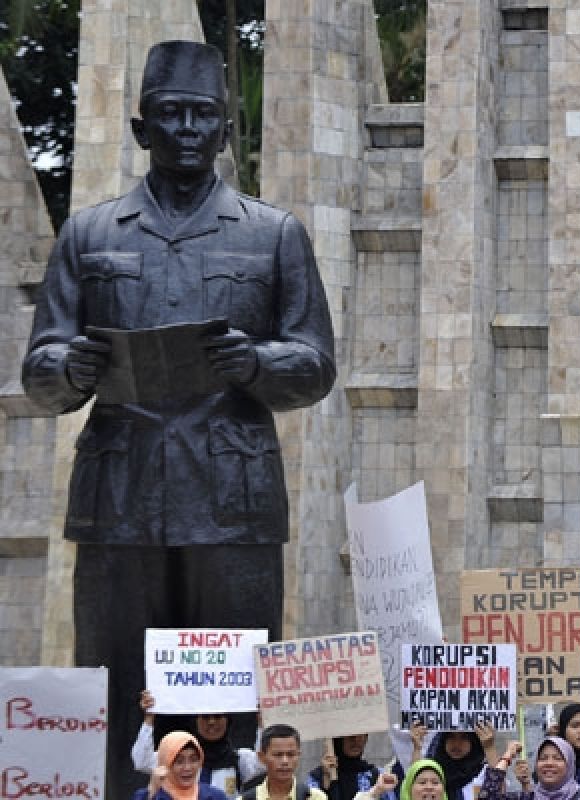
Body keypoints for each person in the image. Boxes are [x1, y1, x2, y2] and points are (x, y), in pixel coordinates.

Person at [22, 39, 336, 800]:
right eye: (171, 115)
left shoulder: (273, 233)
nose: (188, 129)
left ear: (225, 131)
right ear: (141, 130)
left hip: (234, 501)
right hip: (119, 496)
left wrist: (256, 364)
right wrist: (70, 368)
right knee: (118, 680)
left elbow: (317, 363)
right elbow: (39, 369)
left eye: (203, 116)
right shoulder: (91, 233)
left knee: (231, 691)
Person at [133, 690, 265, 797]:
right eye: (205, 717)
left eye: (218, 717)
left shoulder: (238, 760)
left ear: (228, 721)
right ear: (195, 721)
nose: (212, 722)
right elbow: (141, 761)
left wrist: (263, 720)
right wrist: (149, 718)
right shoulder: (176, 756)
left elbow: (263, 761)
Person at [135, 731, 230, 800]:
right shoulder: (150, 796)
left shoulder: (215, 796)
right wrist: (152, 791)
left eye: (193, 760)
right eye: (179, 761)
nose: (187, 768)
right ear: (165, 764)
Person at [478, 737, 580, 800]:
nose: (549, 763)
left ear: (569, 766)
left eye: (558, 758)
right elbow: (487, 797)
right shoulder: (527, 798)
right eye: (543, 758)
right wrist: (507, 756)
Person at [243, 725, 327, 800]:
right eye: (277, 755)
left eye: (291, 754)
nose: (285, 761)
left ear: (298, 755)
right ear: (262, 757)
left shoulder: (316, 797)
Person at [428, 723, 501, 800]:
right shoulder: (432, 771)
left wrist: (489, 747)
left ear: (474, 741)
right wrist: (417, 748)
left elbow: (499, 793)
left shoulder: (484, 772)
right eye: (451, 736)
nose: (456, 744)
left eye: (464, 737)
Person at [309, 735, 382, 800]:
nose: (356, 741)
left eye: (360, 736)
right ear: (338, 739)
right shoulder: (317, 777)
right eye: (351, 736)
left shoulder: (375, 776)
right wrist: (325, 784)